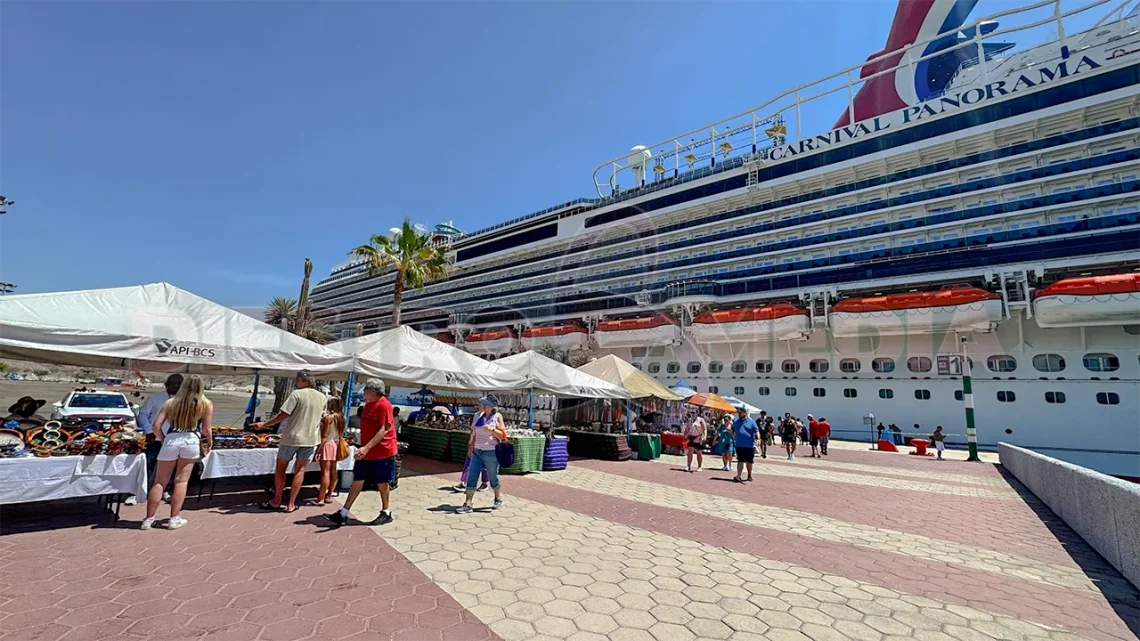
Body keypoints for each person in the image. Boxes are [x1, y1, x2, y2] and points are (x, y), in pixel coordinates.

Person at [141, 374, 212, 530]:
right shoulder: (205, 403)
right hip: (191, 439)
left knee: (160, 481)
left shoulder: (171, 403)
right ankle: (174, 518)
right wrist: (210, 443)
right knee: (181, 481)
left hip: (172, 439)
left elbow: (155, 426)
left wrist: (162, 438)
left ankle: (148, 518)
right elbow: (206, 429)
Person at [325, 379, 398, 526]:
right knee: (358, 479)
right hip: (367, 451)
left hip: (383, 451)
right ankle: (344, 512)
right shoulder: (368, 403)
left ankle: (386, 512)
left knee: (382, 482)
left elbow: (383, 429)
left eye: (365, 389)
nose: (363, 391)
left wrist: (366, 447)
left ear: (372, 391)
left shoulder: (384, 405)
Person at [253, 371, 326, 513]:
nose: (296, 383)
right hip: (310, 439)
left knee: (281, 469)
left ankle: (277, 500)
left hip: (292, 437)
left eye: (297, 380)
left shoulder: (296, 394)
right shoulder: (322, 397)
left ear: (302, 381)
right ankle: (291, 504)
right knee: (300, 470)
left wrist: (265, 424)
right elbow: (323, 418)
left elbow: (284, 414)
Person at [135, 374, 183, 505]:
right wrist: (149, 430)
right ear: (166, 384)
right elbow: (143, 414)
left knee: (172, 467)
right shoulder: (155, 398)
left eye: (179, 384)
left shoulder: (185, 400)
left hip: (174, 440)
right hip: (154, 438)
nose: (176, 386)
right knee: (148, 464)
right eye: (173, 383)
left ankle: (166, 490)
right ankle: (140, 491)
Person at [457, 395, 508, 513]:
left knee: (492, 476)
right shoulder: (477, 416)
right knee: (472, 476)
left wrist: (492, 430)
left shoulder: (497, 417)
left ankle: (497, 498)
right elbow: (475, 433)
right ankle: (468, 503)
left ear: (489, 406)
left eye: (483, 404)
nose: (480, 405)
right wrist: (471, 447)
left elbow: (503, 435)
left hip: (491, 452)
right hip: (477, 451)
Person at [315, 396, 345, 506]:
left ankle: (321, 498)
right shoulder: (342, 417)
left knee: (325, 472)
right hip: (336, 444)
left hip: (327, 444)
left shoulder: (329, 418)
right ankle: (329, 495)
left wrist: (319, 448)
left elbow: (324, 435)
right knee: (333, 471)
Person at [731, 407, 759, 483]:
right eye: (738, 413)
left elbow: (756, 431)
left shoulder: (751, 422)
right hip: (739, 445)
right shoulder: (736, 422)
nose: (739, 414)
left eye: (740, 413)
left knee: (749, 462)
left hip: (749, 445)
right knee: (740, 460)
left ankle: (749, 475)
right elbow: (733, 430)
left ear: (745, 413)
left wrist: (758, 438)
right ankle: (738, 476)